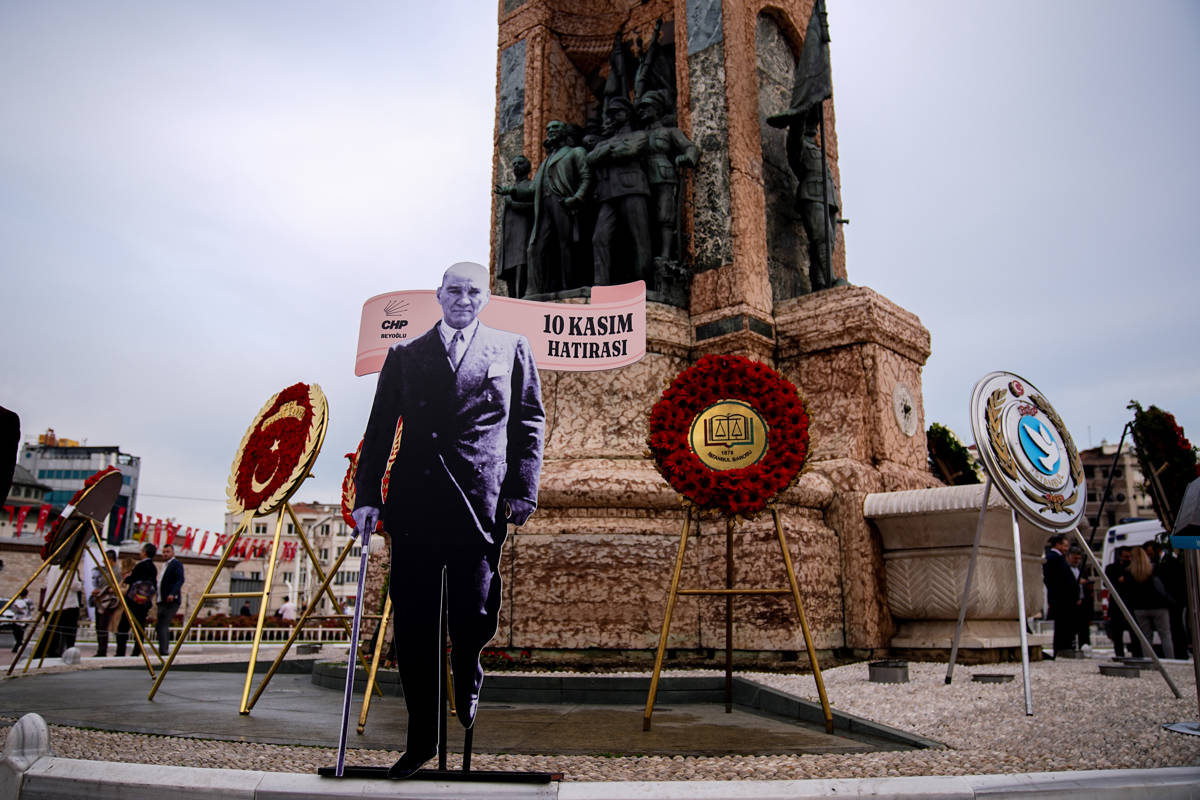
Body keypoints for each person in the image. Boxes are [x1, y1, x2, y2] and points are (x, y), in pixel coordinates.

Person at [353, 260, 545, 779]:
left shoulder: (511, 348)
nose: (463, 299)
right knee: (415, 625)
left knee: (474, 612)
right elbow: (378, 431)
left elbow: (528, 421)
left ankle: (469, 672)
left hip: (479, 503)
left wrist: (523, 488)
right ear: (439, 295)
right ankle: (421, 741)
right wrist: (366, 495)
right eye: (454, 290)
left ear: (485, 298)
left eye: (473, 292)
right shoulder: (406, 355)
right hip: (416, 504)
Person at [587, 98, 652, 287]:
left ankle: (644, 284)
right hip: (608, 195)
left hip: (633, 189)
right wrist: (610, 147)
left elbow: (629, 151)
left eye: (616, 112)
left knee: (640, 239)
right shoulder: (606, 142)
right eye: (609, 113)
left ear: (627, 114)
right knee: (599, 238)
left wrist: (607, 149)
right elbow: (591, 159)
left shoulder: (639, 135)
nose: (611, 117)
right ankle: (601, 285)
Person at [528, 121, 592, 295]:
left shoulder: (576, 152)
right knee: (535, 247)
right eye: (547, 129)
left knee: (567, 246)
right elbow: (533, 188)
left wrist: (577, 198)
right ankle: (534, 289)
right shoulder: (546, 161)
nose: (550, 131)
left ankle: (568, 286)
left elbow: (586, 178)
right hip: (544, 206)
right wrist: (512, 190)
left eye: (555, 128)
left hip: (563, 203)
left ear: (565, 132)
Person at [494, 154, 535, 298]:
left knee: (521, 266)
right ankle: (512, 300)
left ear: (528, 168)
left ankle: (520, 299)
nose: (516, 166)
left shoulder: (530, 185)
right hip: (510, 236)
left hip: (524, 232)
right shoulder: (511, 188)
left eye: (520, 163)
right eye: (514, 164)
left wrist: (513, 203)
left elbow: (534, 207)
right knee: (510, 270)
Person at [1126, 545, 1175, 658]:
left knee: (1146, 637)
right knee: (1165, 635)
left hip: (1140, 608)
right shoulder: (1155, 568)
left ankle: (1149, 660)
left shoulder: (1129, 573)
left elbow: (1128, 592)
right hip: (1159, 606)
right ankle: (1170, 659)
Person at [116, 543, 158, 657]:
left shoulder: (141, 566)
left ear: (144, 552)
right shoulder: (153, 568)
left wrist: (126, 578)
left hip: (133, 601)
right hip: (144, 603)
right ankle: (137, 650)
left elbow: (132, 579)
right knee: (139, 627)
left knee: (123, 626)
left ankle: (120, 651)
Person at [37, 561, 84, 658]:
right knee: (69, 631)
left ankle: (51, 651)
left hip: (52, 604)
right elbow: (74, 585)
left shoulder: (52, 567)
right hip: (67, 603)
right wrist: (81, 584)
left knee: (52, 630)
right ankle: (69, 651)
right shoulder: (70, 568)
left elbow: (45, 584)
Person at [1041, 534, 1076, 657]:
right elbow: (1053, 579)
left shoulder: (1057, 557)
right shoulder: (1053, 558)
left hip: (1062, 597)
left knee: (1064, 625)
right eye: (1065, 545)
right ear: (1058, 545)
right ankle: (1061, 649)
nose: (1067, 548)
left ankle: (1063, 648)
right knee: (1061, 625)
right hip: (1060, 597)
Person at [1104, 546, 1141, 658]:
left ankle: (1137, 654)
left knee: (1135, 632)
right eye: (1125, 557)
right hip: (1117, 605)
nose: (1128, 559)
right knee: (1117, 633)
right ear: (1120, 556)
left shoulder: (1133, 568)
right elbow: (1108, 583)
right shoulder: (1111, 568)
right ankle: (1119, 655)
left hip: (1131, 604)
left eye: (1129, 557)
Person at [90, 549, 121, 657]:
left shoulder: (116, 572)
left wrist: (102, 590)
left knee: (103, 627)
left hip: (108, 602)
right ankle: (100, 649)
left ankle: (102, 650)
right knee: (99, 626)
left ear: (110, 559)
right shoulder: (108, 571)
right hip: (101, 601)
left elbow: (114, 587)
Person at [156, 544, 184, 656]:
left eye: (167, 552)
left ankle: (164, 650)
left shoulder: (175, 564)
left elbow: (180, 579)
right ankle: (162, 648)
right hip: (161, 599)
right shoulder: (165, 565)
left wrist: (173, 593)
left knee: (163, 624)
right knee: (160, 625)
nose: (165, 554)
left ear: (173, 552)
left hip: (171, 600)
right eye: (163, 552)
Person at [1066, 546, 1092, 651]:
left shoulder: (1082, 569)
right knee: (1070, 628)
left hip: (1083, 602)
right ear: (1068, 557)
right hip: (1071, 603)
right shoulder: (1066, 569)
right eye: (1074, 558)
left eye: (1078, 559)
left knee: (1084, 628)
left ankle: (1084, 646)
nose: (1077, 561)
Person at [9, 589, 31, 653]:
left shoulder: (23, 601)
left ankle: (18, 647)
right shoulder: (19, 601)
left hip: (20, 620)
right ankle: (19, 646)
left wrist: (19, 609)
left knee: (19, 635)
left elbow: (14, 610)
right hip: (20, 620)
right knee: (19, 635)